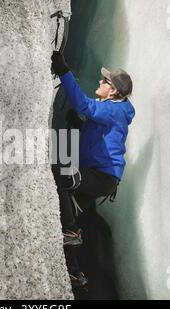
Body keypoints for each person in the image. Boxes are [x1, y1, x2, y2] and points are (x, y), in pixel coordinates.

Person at [51, 51, 135, 290]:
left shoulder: (115, 110)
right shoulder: (112, 109)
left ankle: (71, 231)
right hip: (98, 177)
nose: (100, 82)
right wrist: (79, 125)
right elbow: (99, 136)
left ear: (115, 91)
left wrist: (63, 70)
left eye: (105, 82)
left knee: (61, 175)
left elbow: (84, 105)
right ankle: (75, 274)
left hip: (101, 177)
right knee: (63, 212)